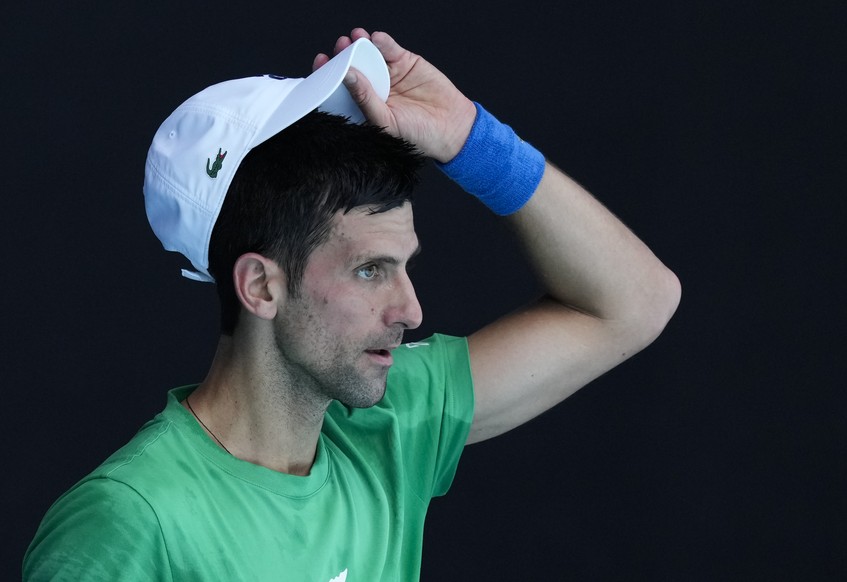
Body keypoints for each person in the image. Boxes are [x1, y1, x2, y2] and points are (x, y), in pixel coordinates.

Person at [24, 29, 681, 581]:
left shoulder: (386, 423)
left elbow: (635, 301)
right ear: (260, 286)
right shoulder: (130, 523)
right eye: (370, 270)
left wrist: (471, 140)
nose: (411, 310)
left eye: (403, 266)